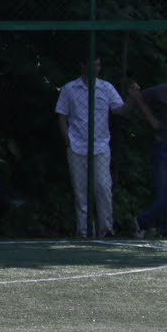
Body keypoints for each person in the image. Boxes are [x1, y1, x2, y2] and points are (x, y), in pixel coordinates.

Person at [55, 58, 132, 237]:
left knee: (103, 187)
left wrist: (132, 98)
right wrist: (68, 141)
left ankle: (106, 229)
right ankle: (84, 231)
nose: (95, 68)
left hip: (100, 146)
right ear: (83, 65)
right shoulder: (69, 89)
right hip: (77, 146)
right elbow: (62, 116)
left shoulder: (106, 87)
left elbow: (120, 110)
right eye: (92, 64)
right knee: (81, 191)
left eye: (98, 65)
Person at [129, 78, 167, 239]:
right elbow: (138, 97)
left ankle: (143, 222)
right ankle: (161, 227)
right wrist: (152, 119)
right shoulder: (161, 90)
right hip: (163, 147)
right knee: (163, 193)